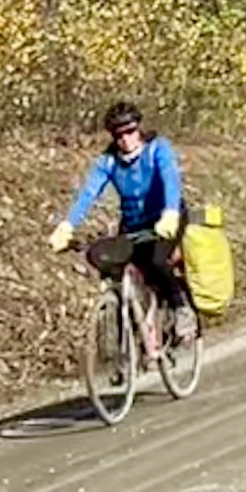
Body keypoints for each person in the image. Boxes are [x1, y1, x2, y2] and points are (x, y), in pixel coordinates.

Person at [48, 100, 197, 341]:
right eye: (119, 135)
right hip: (134, 224)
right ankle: (129, 334)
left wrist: (170, 212)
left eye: (130, 131)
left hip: (167, 217)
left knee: (158, 262)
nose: (126, 139)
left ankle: (181, 307)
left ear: (139, 129)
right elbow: (88, 194)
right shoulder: (108, 162)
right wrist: (68, 225)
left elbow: (170, 178)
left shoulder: (157, 149)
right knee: (112, 266)